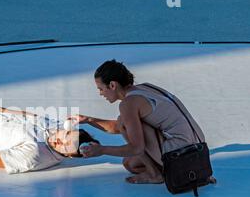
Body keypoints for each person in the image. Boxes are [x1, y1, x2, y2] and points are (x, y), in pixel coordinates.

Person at [72, 59, 207, 184]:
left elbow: (136, 147)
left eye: (101, 89)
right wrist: (89, 120)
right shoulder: (145, 88)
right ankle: (164, 170)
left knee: (123, 122)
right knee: (130, 164)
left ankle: (155, 175)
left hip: (182, 152)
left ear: (112, 85)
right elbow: (120, 127)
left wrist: (102, 150)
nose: (101, 93)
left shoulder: (128, 103)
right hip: (199, 150)